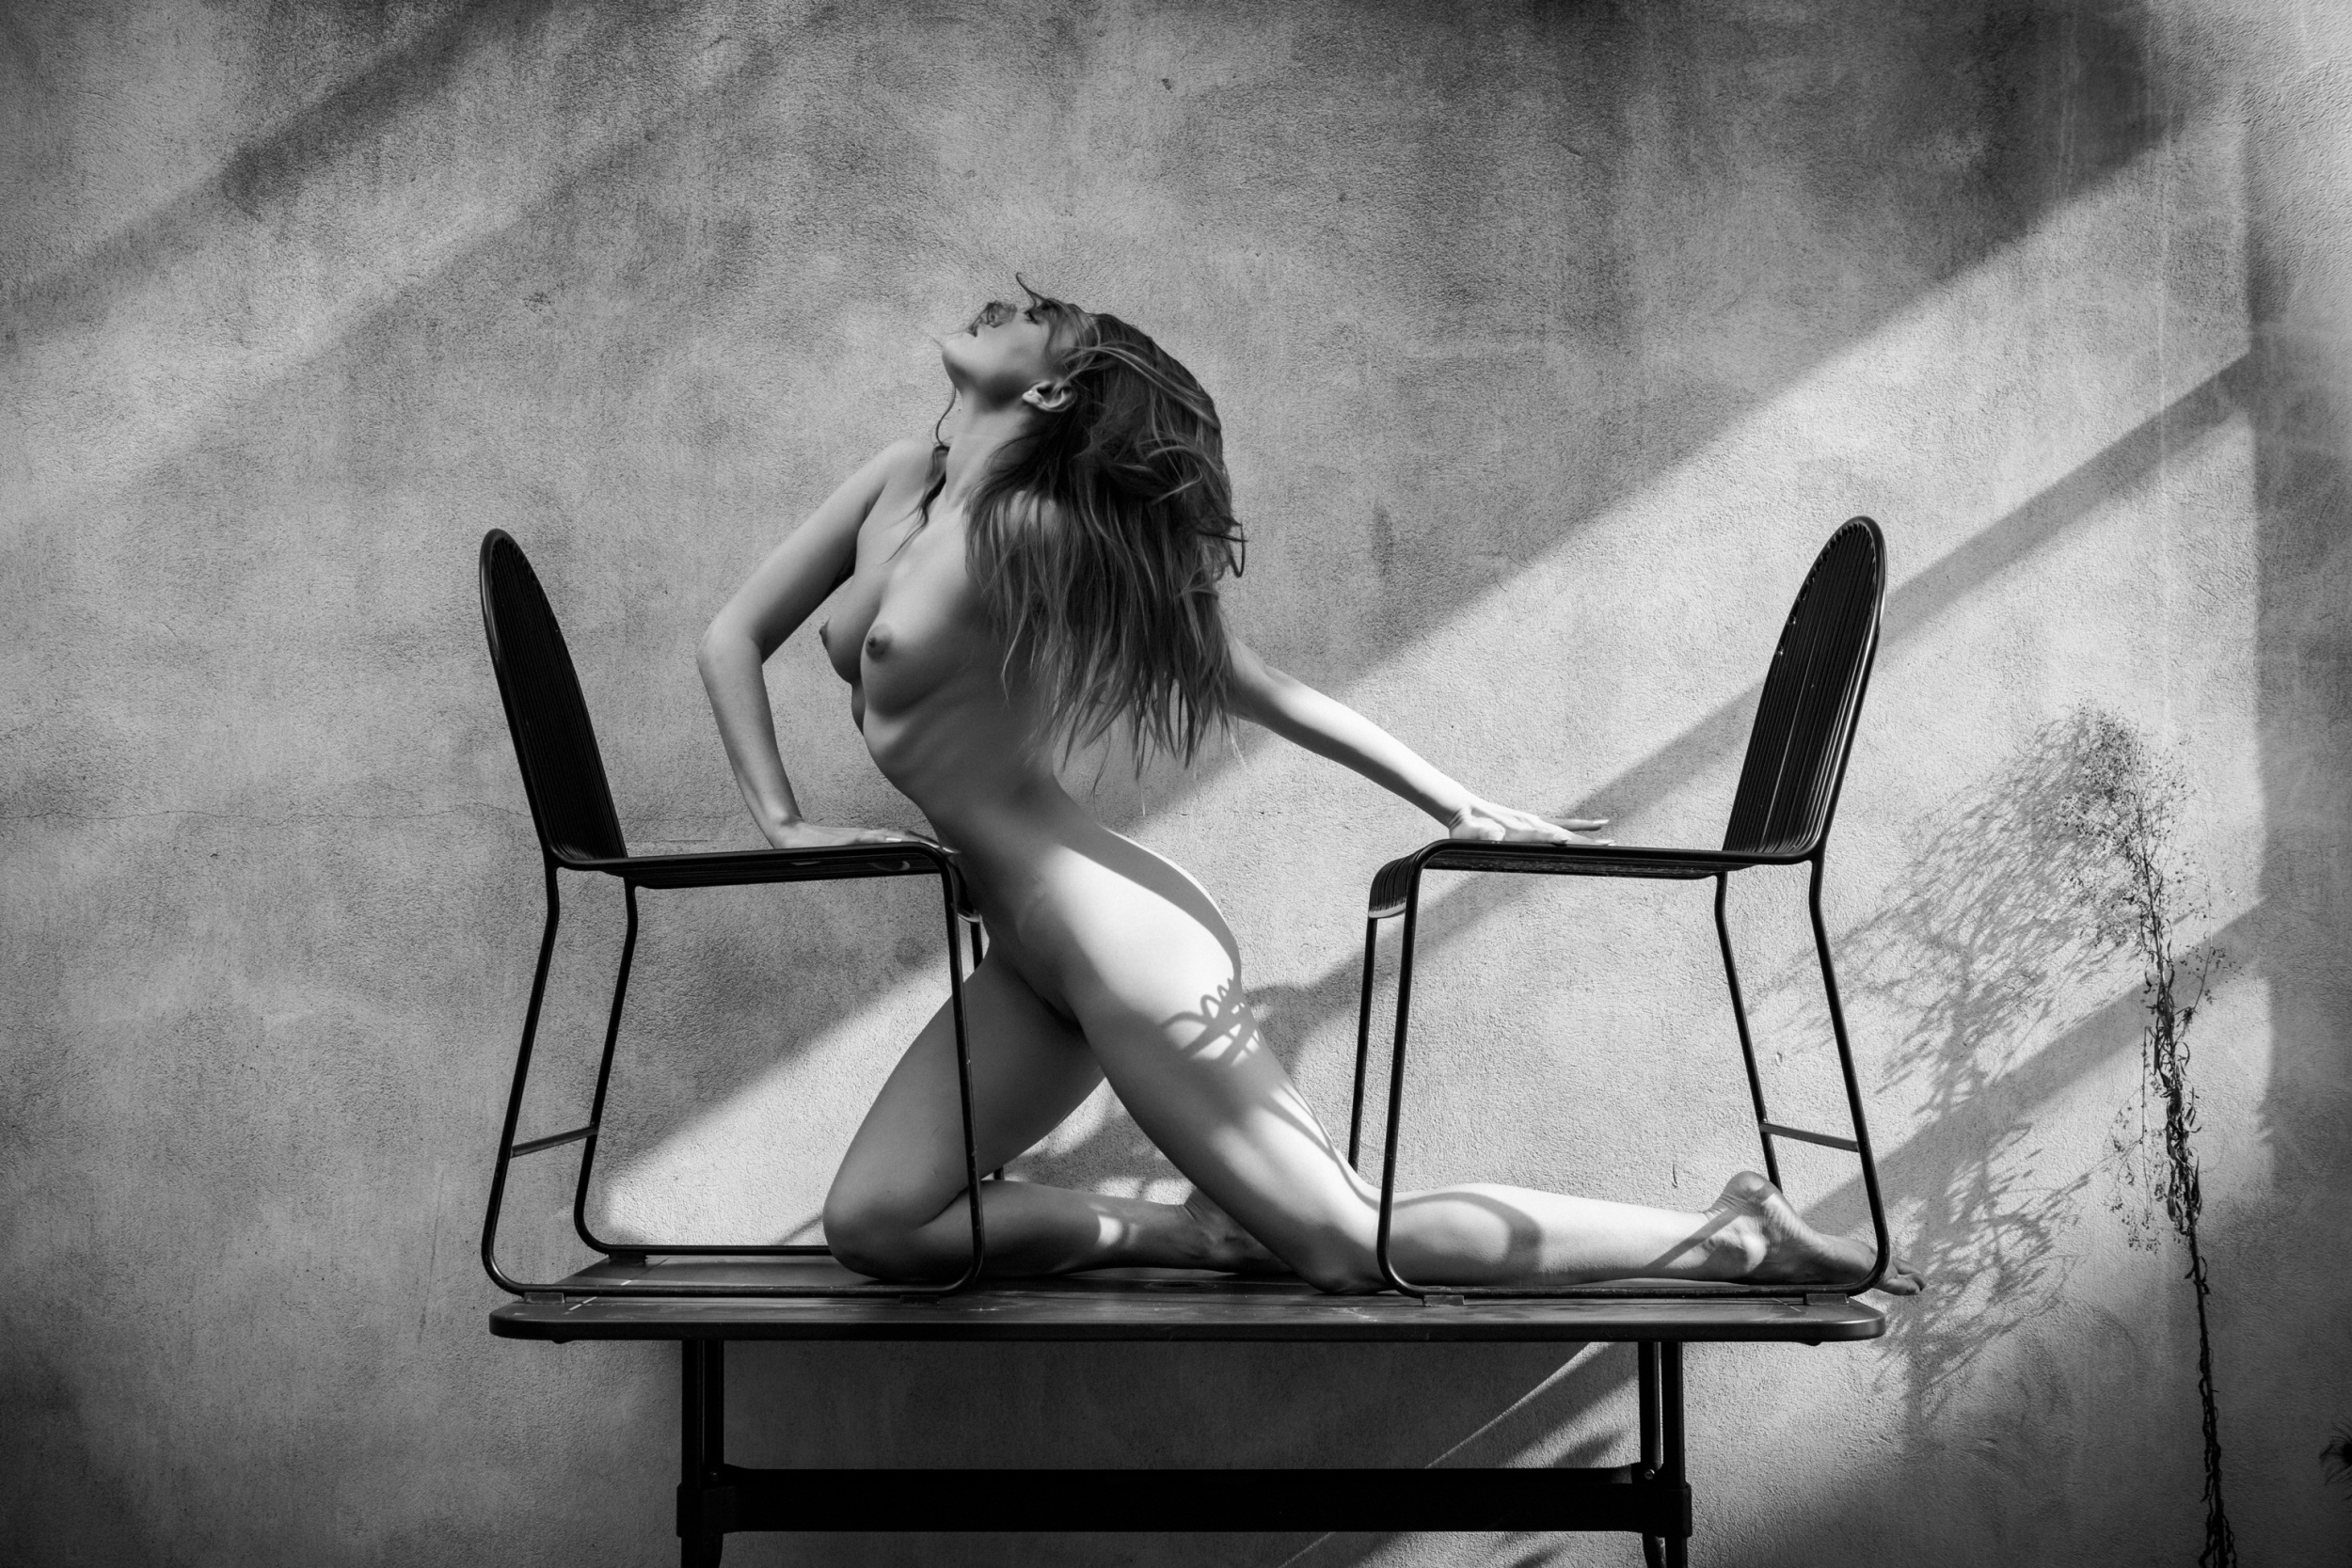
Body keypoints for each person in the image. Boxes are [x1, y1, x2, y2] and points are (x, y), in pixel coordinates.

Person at [699, 286, 1919, 1296]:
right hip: (1031, 955)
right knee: (880, 1225)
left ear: (1057, 389)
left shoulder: (1042, 537)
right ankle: (1193, 1234)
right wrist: (781, 821)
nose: (999, 305)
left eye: (1031, 316)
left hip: (1119, 940)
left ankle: (1730, 1236)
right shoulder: (898, 481)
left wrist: (1453, 802)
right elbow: (733, 637)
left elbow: (1252, 684)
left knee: (1345, 1241)